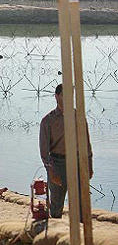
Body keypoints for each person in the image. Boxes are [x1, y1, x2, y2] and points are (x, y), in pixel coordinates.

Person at [39, 83, 93, 218]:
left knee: (81, 203)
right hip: (58, 163)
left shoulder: (79, 117)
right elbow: (44, 150)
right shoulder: (48, 120)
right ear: (57, 96)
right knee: (56, 203)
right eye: (64, 95)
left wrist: (89, 165)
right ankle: (55, 232)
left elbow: (86, 143)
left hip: (78, 162)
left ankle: (80, 234)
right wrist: (51, 171)